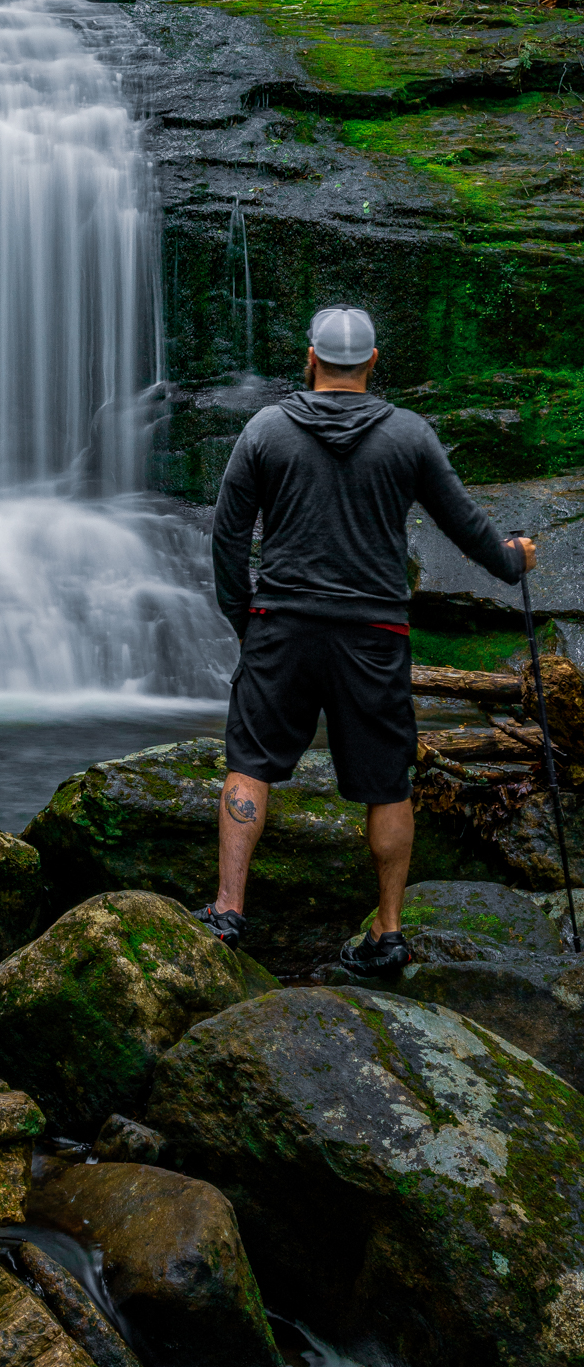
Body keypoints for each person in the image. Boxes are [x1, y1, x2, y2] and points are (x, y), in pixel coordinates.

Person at [197, 305, 534, 975]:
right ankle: (386, 933)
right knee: (386, 783)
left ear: (310, 357)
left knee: (252, 763)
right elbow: (463, 524)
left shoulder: (264, 429)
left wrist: (246, 619)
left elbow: (227, 540)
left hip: (282, 627)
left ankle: (227, 910)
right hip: (372, 634)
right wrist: (511, 560)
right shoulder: (407, 435)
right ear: (372, 362)